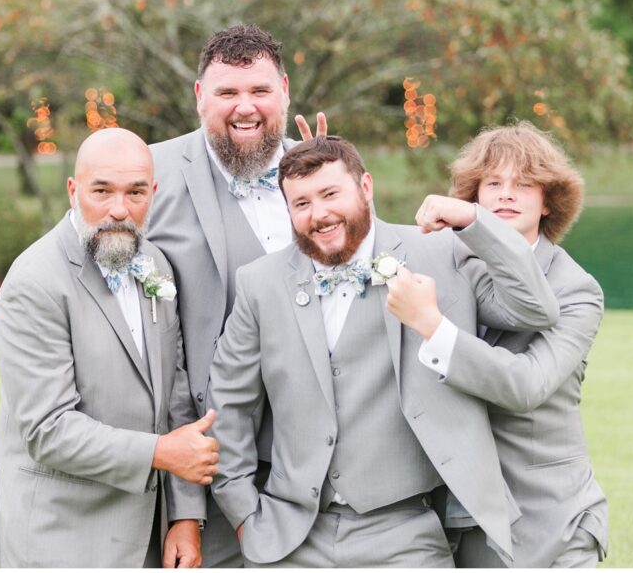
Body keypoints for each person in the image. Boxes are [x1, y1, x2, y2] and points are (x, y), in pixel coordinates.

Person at [207, 135, 560, 567]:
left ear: (366, 188)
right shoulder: (260, 283)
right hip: (288, 537)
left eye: (330, 194)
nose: (319, 214)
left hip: (406, 533)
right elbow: (228, 406)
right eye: (301, 204)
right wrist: (245, 515)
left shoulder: (437, 252)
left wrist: (474, 219)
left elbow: (534, 307)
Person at [0, 128, 219, 568]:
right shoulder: (34, 282)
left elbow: (176, 398)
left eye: (135, 192)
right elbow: (48, 430)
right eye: (101, 191)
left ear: (153, 193)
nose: (118, 210)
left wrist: (184, 517)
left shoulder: (155, 265)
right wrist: (161, 454)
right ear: (73, 190)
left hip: (146, 531)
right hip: (60, 533)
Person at [387, 121, 608, 567]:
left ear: (549, 202)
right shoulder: (451, 263)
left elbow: (525, 385)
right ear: (474, 194)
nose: (506, 194)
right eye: (493, 183)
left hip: (552, 521)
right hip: (466, 519)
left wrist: (433, 325)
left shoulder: (577, 290)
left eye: (524, 184)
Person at [147, 24, 324, 567]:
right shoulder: (147, 175)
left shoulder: (324, 175)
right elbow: (159, 355)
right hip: (209, 462)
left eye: (259, 91)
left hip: (317, 465)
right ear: (200, 97)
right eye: (227, 92)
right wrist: (184, 511)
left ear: (285, 91)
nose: (244, 107)